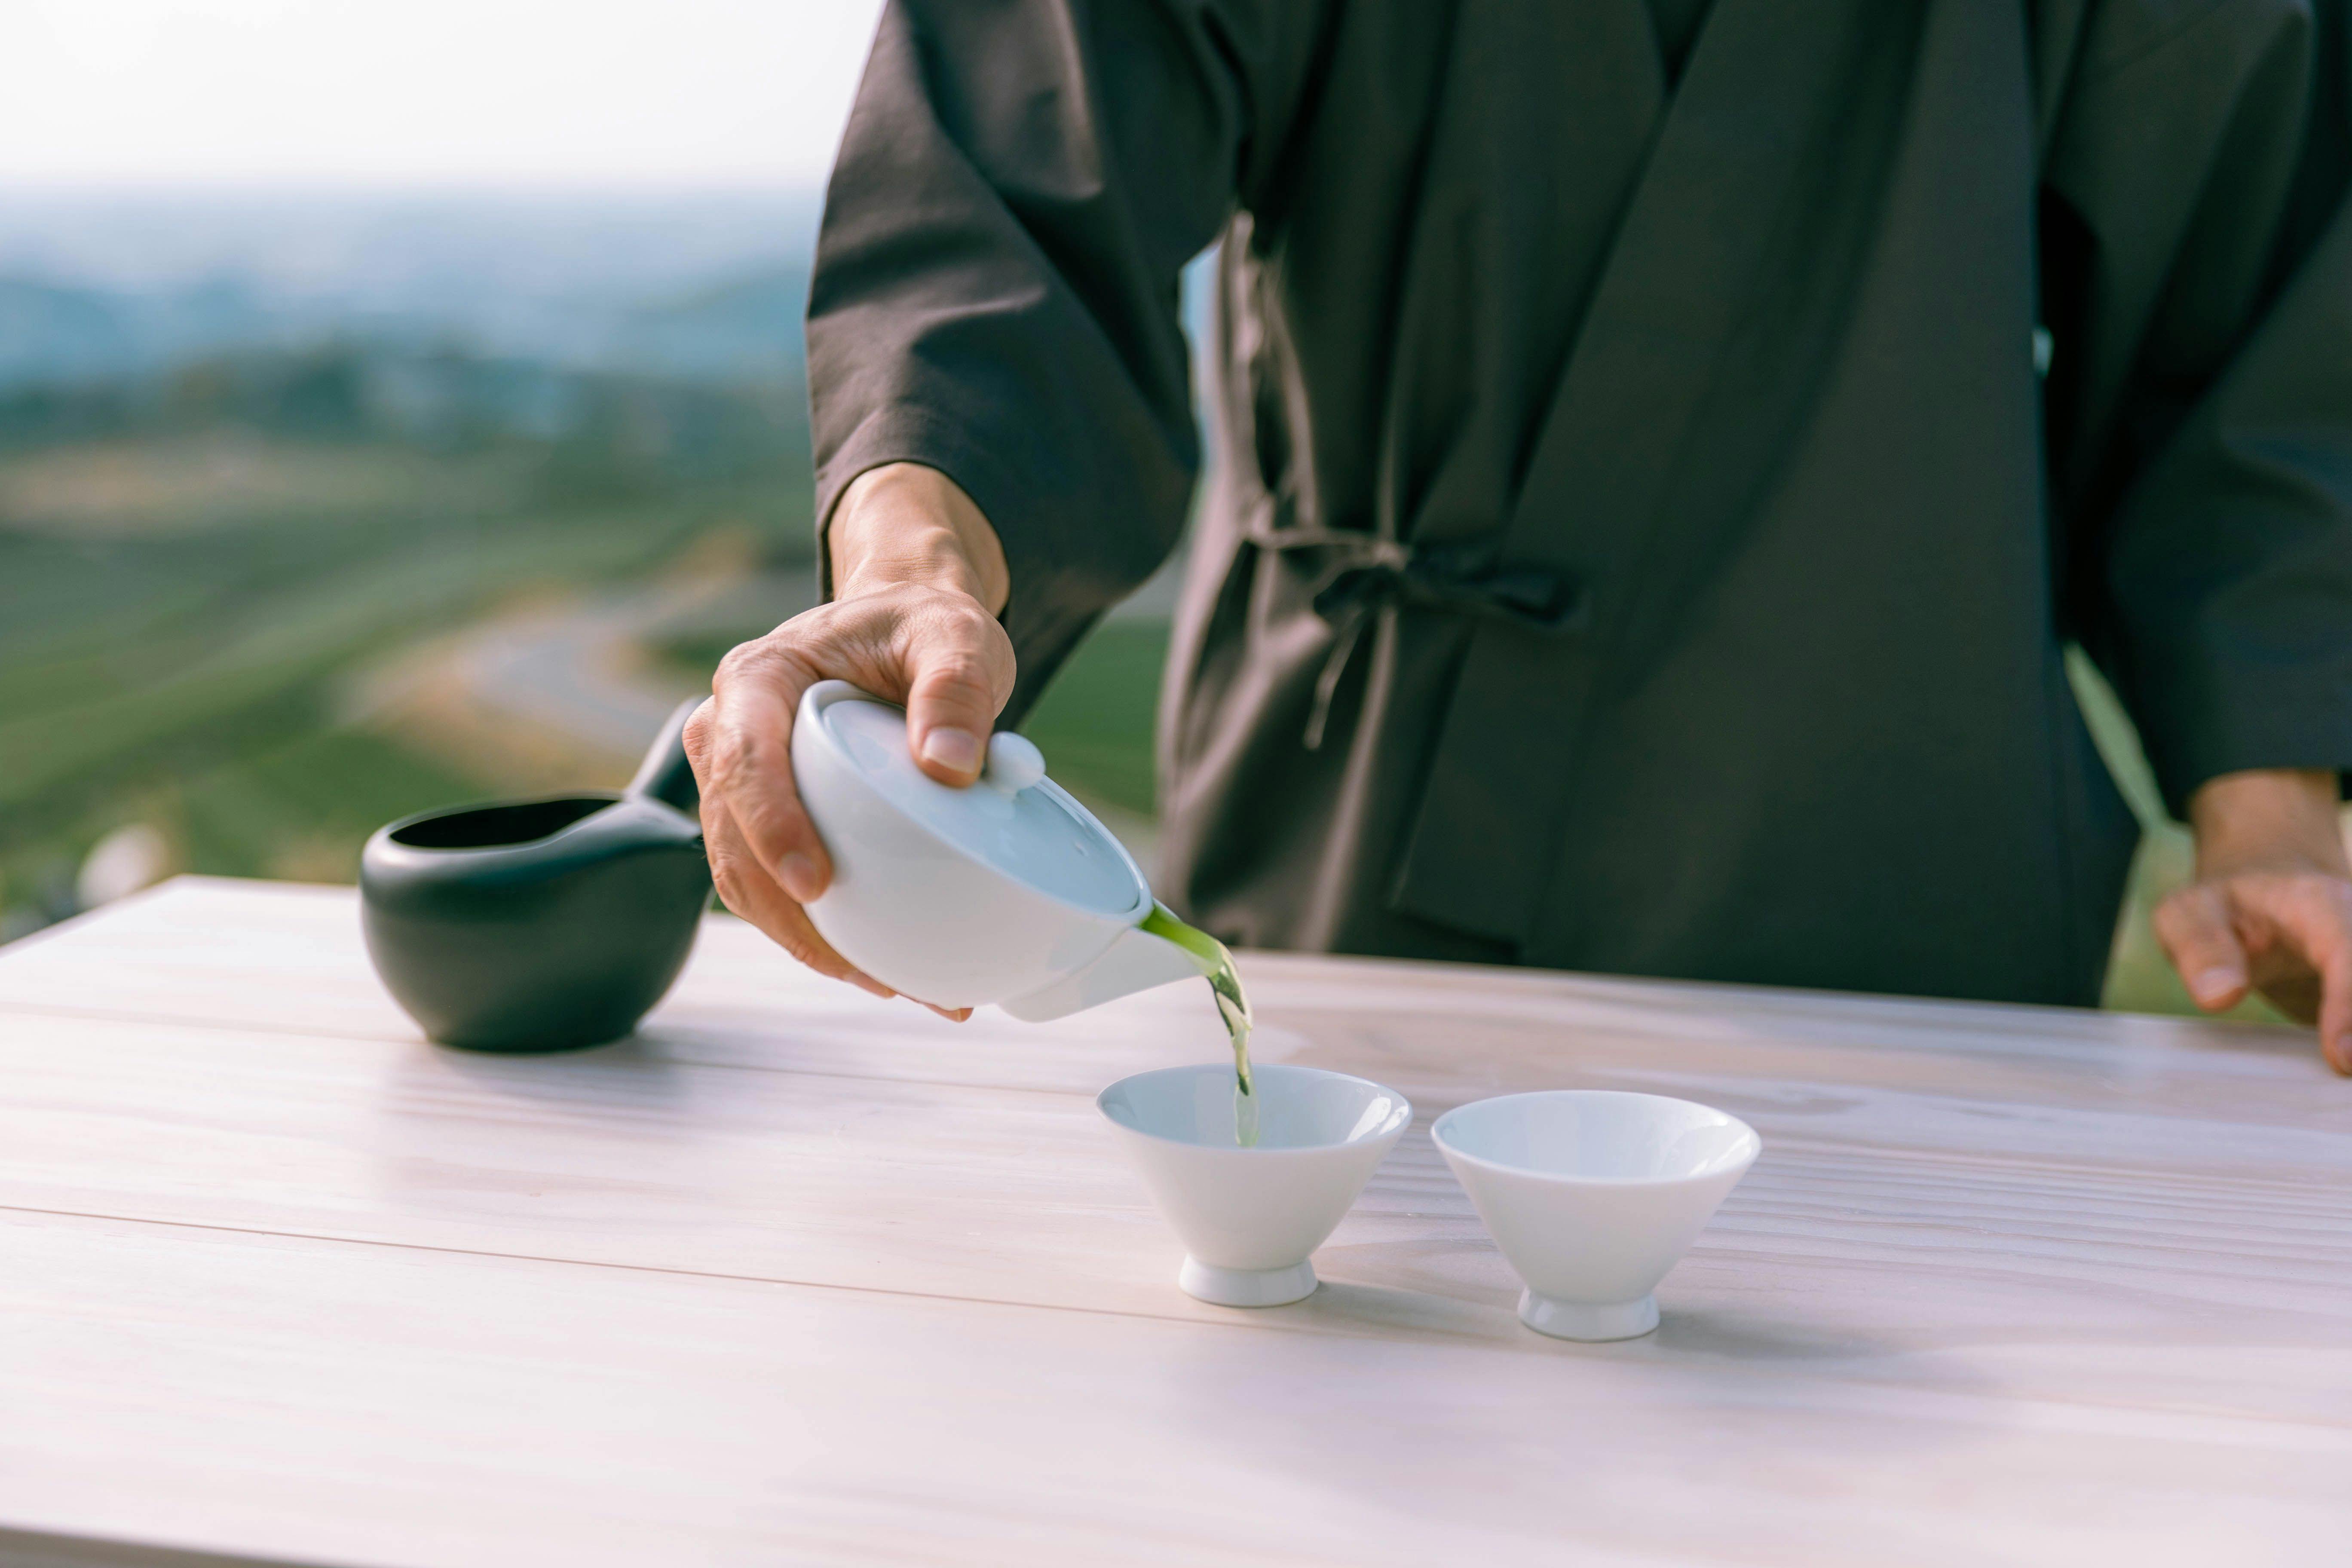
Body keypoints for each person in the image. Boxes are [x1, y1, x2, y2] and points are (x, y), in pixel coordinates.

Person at [684, 0, 2352, 1072]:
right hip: (1365, 842)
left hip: (1900, 872)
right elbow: (1013, 202)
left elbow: (2261, 309)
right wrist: (917, 567)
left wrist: (2271, 810)